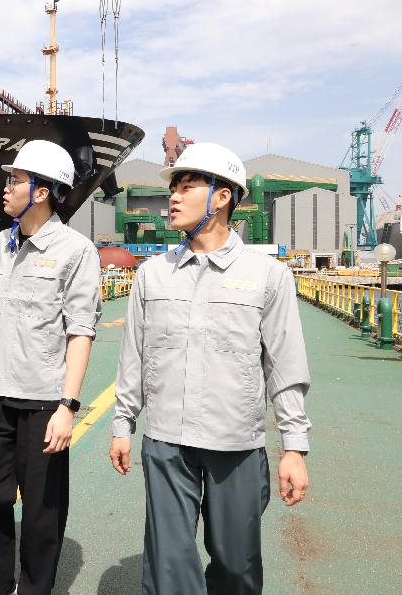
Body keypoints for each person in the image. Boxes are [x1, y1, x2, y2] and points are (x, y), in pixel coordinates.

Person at [109, 142, 311, 594]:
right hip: (166, 440)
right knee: (169, 566)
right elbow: (134, 357)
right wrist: (123, 424)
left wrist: (294, 447)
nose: (173, 197)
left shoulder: (268, 276)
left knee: (237, 565)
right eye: (174, 188)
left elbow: (285, 367)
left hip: (235, 442)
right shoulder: (152, 274)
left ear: (222, 197)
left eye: (187, 187)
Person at [0, 140, 102, 595]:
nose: (6, 187)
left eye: (15, 180)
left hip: (43, 403)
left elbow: (81, 331)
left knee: (42, 513)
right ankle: (0, 583)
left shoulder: (77, 251)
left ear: (41, 192)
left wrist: (68, 406)